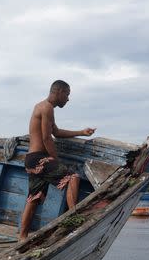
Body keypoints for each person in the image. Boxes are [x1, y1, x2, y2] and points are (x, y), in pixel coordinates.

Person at [19, 80, 96, 240]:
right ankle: (73, 219)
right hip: (39, 158)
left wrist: (81, 132)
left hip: (31, 159)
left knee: (35, 196)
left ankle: (22, 237)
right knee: (72, 177)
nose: (68, 99)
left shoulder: (42, 107)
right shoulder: (46, 107)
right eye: (67, 95)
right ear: (59, 91)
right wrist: (56, 160)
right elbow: (47, 138)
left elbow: (57, 132)